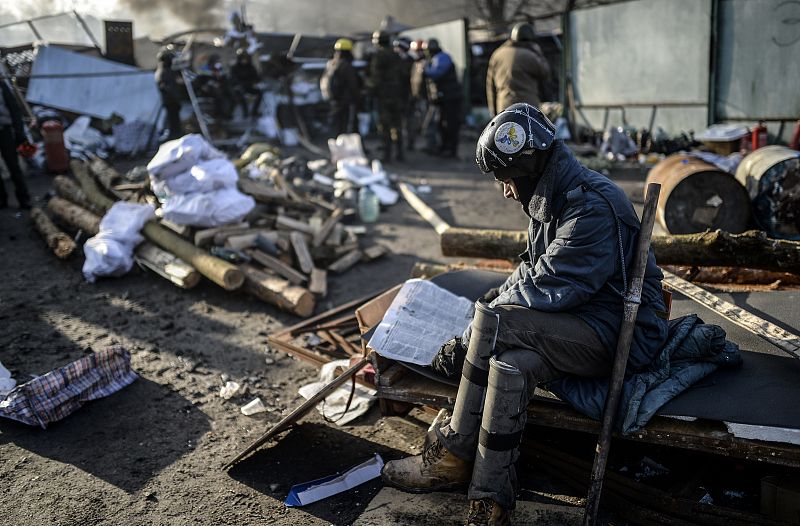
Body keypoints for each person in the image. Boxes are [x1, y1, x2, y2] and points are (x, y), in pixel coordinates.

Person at [381, 103, 669, 525]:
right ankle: (489, 497)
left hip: (615, 333)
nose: (504, 189)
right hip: (575, 326)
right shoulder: (551, 196)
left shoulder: (590, 206)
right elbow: (532, 270)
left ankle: (452, 449)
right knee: (511, 363)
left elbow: (547, 286)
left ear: (530, 162)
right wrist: (497, 294)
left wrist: (470, 336)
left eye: (504, 177)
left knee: (496, 321)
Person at [486, 22, 551, 117]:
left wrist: (493, 112)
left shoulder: (497, 54)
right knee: (528, 131)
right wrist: (538, 53)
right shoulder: (530, 56)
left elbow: (490, 87)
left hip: (504, 106)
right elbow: (546, 73)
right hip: (528, 107)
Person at [367, 29, 405, 163]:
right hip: (398, 95)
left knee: (385, 126)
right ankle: (400, 153)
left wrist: (369, 90)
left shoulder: (379, 56)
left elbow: (376, 79)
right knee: (397, 125)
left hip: (384, 97)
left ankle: (387, 155)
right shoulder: (397, 55)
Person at [423, 38, 462, 158]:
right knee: (441, 123)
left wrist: (424, 69)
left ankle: (450, 149)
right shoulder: (438, 57)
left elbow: (436, 73)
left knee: (449, 124)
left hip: (450, 98)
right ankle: (445, 147)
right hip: (444, 98)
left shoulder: (442, 58)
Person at [320, 38, 361, 138]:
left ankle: (337, 145)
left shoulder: (331, 64)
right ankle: (348, 148)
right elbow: (353, 85)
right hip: (346, 102)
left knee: (337, 126)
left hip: (334, 101)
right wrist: (358, 97)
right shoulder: (346, 66)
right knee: (348, 127)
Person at [0, 80, 31, 209]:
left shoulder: (2, 86)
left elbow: (14, 109)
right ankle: (2, 199)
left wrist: (19, 132)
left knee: (13, 165)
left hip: (4, 131)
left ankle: (24, 198)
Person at [154, 49, 183, 141]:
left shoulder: (166, 71)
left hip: (171, 101)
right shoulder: (164, 72)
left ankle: (175, 136)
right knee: (173, 123)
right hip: (170, 101)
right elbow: (167, 88)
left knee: (174, 121)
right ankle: (173, 137)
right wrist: (175, 98)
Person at [393, 37, 414, 152]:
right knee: (397, 122)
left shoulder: (409, 61)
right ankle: (398, 143)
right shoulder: (395, 60)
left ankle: (409, 143)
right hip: (396, 95)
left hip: (406, 95)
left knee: (407, 121)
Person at [230, 48, 263, 118]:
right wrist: (238, 84)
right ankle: (245, 113)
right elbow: (233, 79)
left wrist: (257, 80)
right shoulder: (235, 68)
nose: (244, 60)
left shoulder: (251, 67)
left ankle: (254, 111)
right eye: (242, 58)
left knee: (260, 93)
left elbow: (256, 77)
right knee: (240, 95)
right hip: (239, 87)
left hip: (249, 86)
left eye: (245, 58)